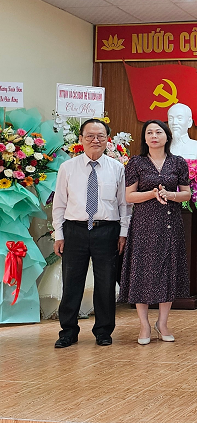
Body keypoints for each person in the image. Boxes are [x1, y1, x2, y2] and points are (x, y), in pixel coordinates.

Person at [52, 119, 130, 348]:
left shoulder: (117, 168)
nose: (95, 140)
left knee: (106, 284)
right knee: (71, 283)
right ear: (81, 139)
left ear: (108, 140)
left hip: (107, 231)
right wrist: (59, 234)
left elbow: (124, 204)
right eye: (90, 136)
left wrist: (123, 233)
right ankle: (68, 331)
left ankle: (104, 331)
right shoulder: (68, 167)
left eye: (100, 136)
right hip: (74, 230)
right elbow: (59, 203)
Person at [118, 120, 191, 345]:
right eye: (149, 132)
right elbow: (129, 196)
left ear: (167, 136)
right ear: (144, 138)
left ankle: (163, 323)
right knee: (142, 273)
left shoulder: (178, 162)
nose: (154, 136)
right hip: (144, 226)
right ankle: (144, 325)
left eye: (158, 132)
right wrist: (152, 193)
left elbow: (187, 194)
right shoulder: (136, 162)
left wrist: (171, 195)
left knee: (167, 271)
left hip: (170, 225)